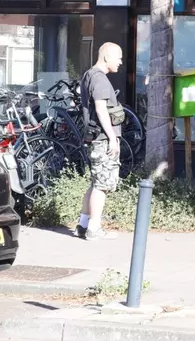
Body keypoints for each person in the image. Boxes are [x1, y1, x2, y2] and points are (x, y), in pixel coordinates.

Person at [75, 42, 123, 240]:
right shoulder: (100, 79)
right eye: (118, 57)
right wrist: (112, 138)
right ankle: (94, 229)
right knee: (102, 185)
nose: (120, 62)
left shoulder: (89, 75)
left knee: (95, 183)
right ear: (106, 58)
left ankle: (83, 224)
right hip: (102, 139)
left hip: (94, 137)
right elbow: (101, 109)